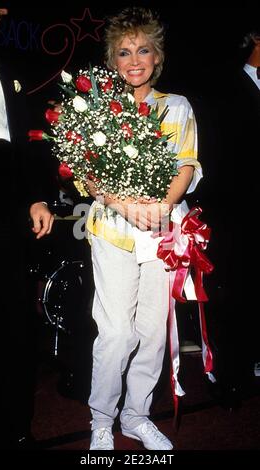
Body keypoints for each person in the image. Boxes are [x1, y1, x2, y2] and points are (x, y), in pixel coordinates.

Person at [85, 7, 202, 450]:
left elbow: (186, 164)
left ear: (157, 56)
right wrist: (124, 206)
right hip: (112, 227)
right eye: (123, 52)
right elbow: (87, 176)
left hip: (162, 231)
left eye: (143, 50)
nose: (134, 60)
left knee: (153, 332)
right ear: (112, 61)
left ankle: (135, 417)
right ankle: (101, 419)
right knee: (117, 332)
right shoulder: (98, 110)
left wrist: (162, 208)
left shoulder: (176, 106)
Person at [0, 5, 54, 449]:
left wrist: (35, 196)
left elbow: (25, 142)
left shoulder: (9, 67)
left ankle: (16, 426)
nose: (2, 10)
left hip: (5, 198)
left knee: (13, 317)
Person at [191, 25, 260, 408]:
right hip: (233, 215)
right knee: (229, 297)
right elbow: (211, 158)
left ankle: (250, 363)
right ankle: (227, 374)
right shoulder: (221, 89)